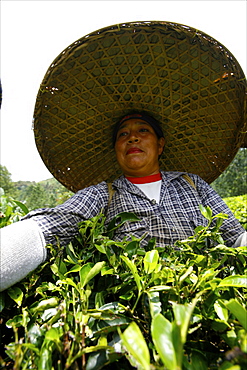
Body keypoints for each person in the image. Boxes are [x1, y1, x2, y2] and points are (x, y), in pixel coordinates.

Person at [1, 21, 246, 291]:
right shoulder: (102, 194)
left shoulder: (192, 184)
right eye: (122, 134)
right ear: (117, 149)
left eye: (143, 130)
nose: (132, 137)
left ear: (160, 144)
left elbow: (235, 239)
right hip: (135, 313)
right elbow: (49, 227)